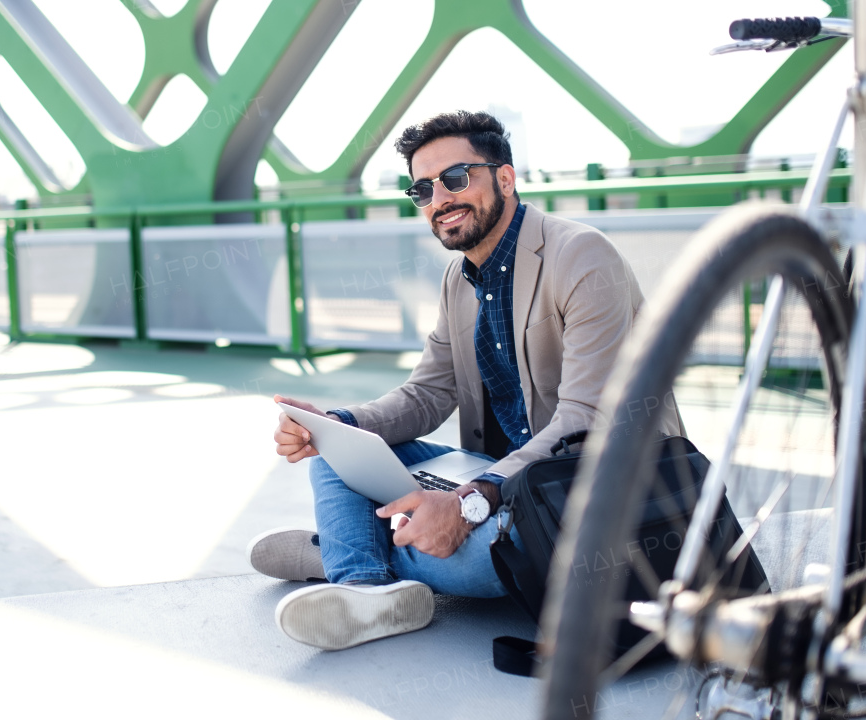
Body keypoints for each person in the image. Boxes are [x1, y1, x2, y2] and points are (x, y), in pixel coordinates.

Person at [250, 110, 681, 651]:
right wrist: (336, 423)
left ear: (505, 178)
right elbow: (428, 394)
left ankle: (339, 551)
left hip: (583, 487)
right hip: (501, 479)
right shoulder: (460, 277)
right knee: (340, 455)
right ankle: (364, 587)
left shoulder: (580, 255)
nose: (440, 198)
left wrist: (467, 503)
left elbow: (586, 420)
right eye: (423, 189)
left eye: (456, 178)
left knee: (490, 557)